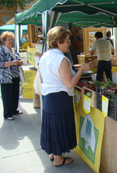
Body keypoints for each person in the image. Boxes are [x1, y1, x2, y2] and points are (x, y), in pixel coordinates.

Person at [39, 26, 91, 167]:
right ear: (59, 42)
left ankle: (53, 152)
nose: (69, 43)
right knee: (59, 126)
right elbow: (69, 84)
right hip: (60, 99)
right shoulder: (61, 59)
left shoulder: (45, 56)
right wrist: (81, 69)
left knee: (52, 126)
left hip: (48, 98)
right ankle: (58, 158)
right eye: (67, 41)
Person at [0, 31, 24, 120]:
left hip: (15, 76)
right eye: (9, 40)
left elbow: (18, 58)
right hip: (6, 77)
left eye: (12, 40)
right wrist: (12, 63)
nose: (11, 41)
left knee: (15, 94)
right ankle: (8, 113)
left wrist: (19, 62)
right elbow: (0, 63)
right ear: (4, 40)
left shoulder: (14, 50)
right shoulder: (1, 50)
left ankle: (14, 110)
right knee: (7, 95)